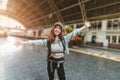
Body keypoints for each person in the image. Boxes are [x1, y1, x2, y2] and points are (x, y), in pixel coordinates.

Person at [15, 21, 91, 80]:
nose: (57, 29)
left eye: (59, 28)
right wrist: (23, 43)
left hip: (60, 63)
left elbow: (74, 32)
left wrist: (84, 26)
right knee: (51, 78)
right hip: (51, 63)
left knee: (63, 78)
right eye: (56, 28)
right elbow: (35, 42)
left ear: (61, 31)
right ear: (53, 29)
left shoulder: (65, 39)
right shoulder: (49, 41)